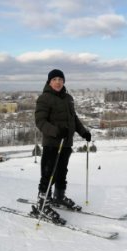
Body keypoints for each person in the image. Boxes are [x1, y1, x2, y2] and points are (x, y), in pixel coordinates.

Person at [33, 69, 91, 222]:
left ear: (64, 81)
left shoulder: (68, 98)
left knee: (61, 172)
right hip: (52, 143)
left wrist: (83, 132)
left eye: (60, 79)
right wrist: (56, 131)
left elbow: (74, 119)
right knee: (48, 174)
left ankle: (59, 197)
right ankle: (42, 203)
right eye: (54, 79)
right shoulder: (44, 98)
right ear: (49, 82)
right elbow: (40, 122)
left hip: (66, 144)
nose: (58, 82)